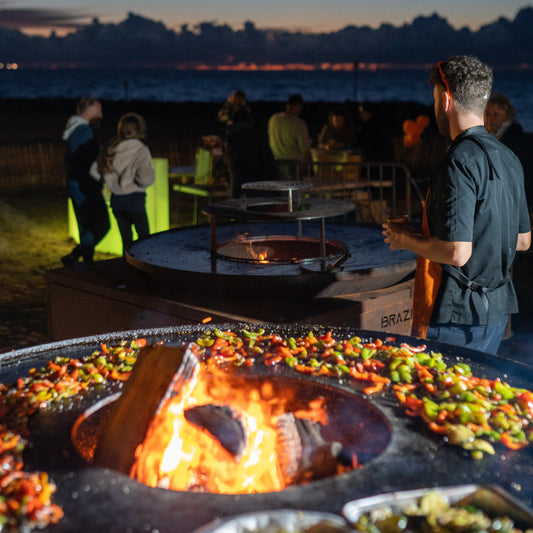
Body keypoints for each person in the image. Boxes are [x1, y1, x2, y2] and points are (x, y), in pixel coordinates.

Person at [382, 55, 531, 354]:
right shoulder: (508, 157)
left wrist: (406, 239)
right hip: (496, 312)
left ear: (447, 99)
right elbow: (523, 240)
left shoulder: (458, 161)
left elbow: (457, 252)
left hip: (457, 319)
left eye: (435, 97)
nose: (435, 105)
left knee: (439, 396)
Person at [90, 113, 155, 255]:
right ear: (139, 129)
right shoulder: (140, 149)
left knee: (126, 241)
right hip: (136, 201)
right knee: (144, 240)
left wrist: (109, 180)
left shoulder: (111, 147)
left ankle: (127, 269)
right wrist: (139, 182)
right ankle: (144, 270)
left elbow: (94, 172)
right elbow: (145, 179)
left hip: (117, 202)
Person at [62, 97, 109, 270]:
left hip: (75, 184)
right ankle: (77, 255)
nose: (101, 115)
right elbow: (89, 161)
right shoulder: (83, 131)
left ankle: (86, 263)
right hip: (85, 185)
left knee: (85, 226)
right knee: (102, 224)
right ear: (88, 111)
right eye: (99, 111)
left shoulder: (73, 129)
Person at [485, 93, 533, 211]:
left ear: (506, 115)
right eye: (487, 114)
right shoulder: (490, 135)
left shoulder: (514, 136)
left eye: (496, 114)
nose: (491, 119)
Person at [224, 108, 280, 198]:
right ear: (250, 120)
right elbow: (269, 164)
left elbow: (228, 163)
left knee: (239, 211)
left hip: (237, 187)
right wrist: (277, 189)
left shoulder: (230, 139)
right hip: (258, 188)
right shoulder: (257, 137)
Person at [268, 94, 311, 164]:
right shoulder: (298, 123)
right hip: (294, 164)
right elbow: (305, 148)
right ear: (298, 106)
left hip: (275, 163)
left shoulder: (273, 119)